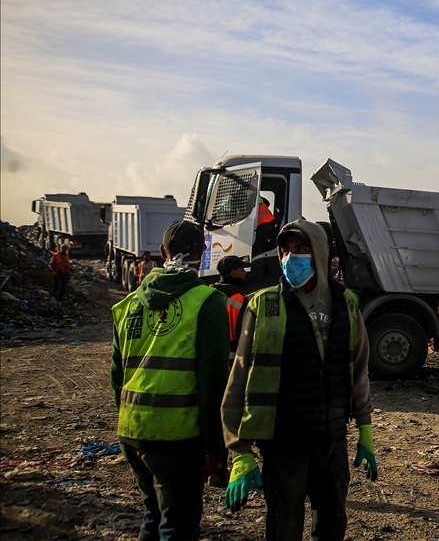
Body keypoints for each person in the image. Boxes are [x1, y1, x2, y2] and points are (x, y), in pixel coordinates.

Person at [221, 219, 376, 541]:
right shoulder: (264, 304)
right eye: (286, 250)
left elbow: (358, 369)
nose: (292, 257)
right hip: (282, 441)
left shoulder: (346, 303)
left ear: (319, 253)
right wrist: (239, 450)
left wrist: (364, 429)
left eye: (301, 249)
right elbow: (239, 377)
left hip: (331, 439)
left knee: (332, 522)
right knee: (283, 523)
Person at [111, 221, 229, 541]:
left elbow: (116, 375)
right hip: (178, 436)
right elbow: (212, 380)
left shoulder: (128, 305)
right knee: (178, 523)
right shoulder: (207, 302)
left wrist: (131, 419)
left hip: (132, 430)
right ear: (203, 253)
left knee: (154, 512)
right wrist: (215, 445)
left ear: (162, 252)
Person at [208, 255, 249, 489]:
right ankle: (227, 468)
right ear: (234, 273)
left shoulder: (208, 293)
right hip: (231, 361)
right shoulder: (238, 297)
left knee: (210, 415)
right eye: (242, 270)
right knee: (230, 416)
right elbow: (240, 335)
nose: (245, 273)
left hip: (207, 361)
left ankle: (212, 468)